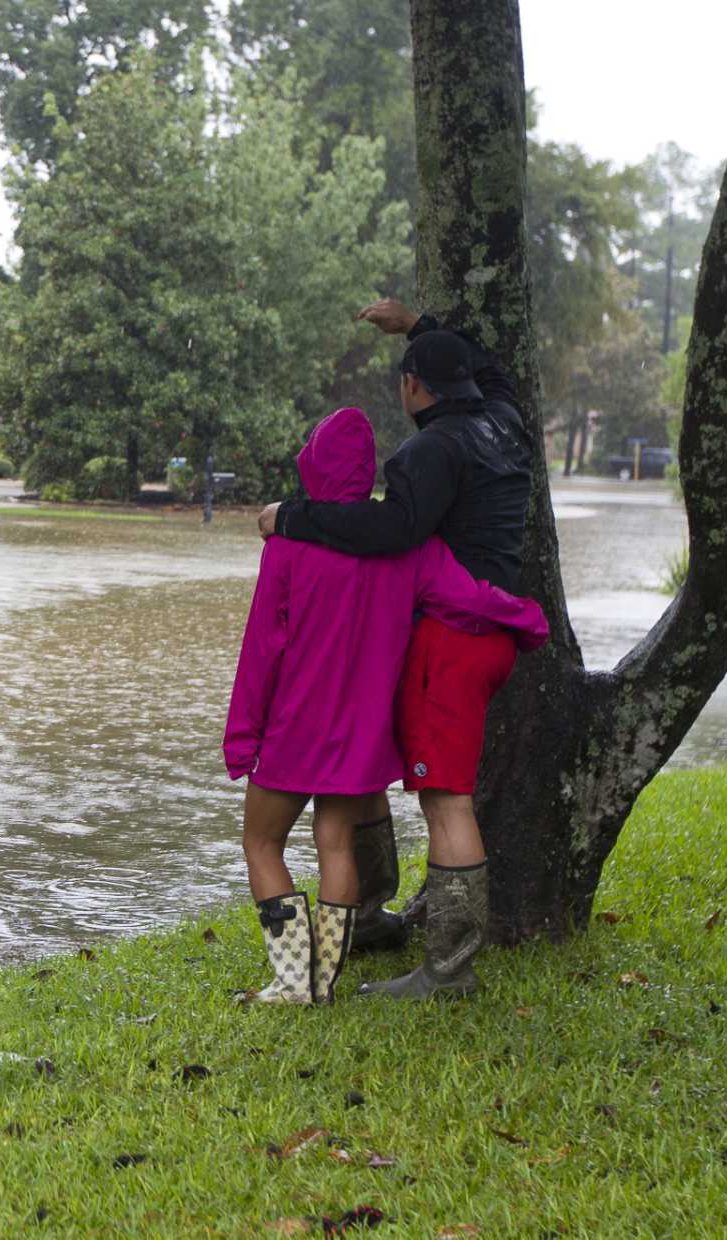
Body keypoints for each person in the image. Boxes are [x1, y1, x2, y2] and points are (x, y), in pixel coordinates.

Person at [257, 298, 535, 999]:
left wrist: (292, 516)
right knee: (370, 761)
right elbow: (494, 371)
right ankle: (371, 914)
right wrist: (416, 327)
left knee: (446, 801)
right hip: (489, 629)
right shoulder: (506, 423)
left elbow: (391, 533)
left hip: (453, 639)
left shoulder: (427, 450)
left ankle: (448, 970)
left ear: (412, 388)